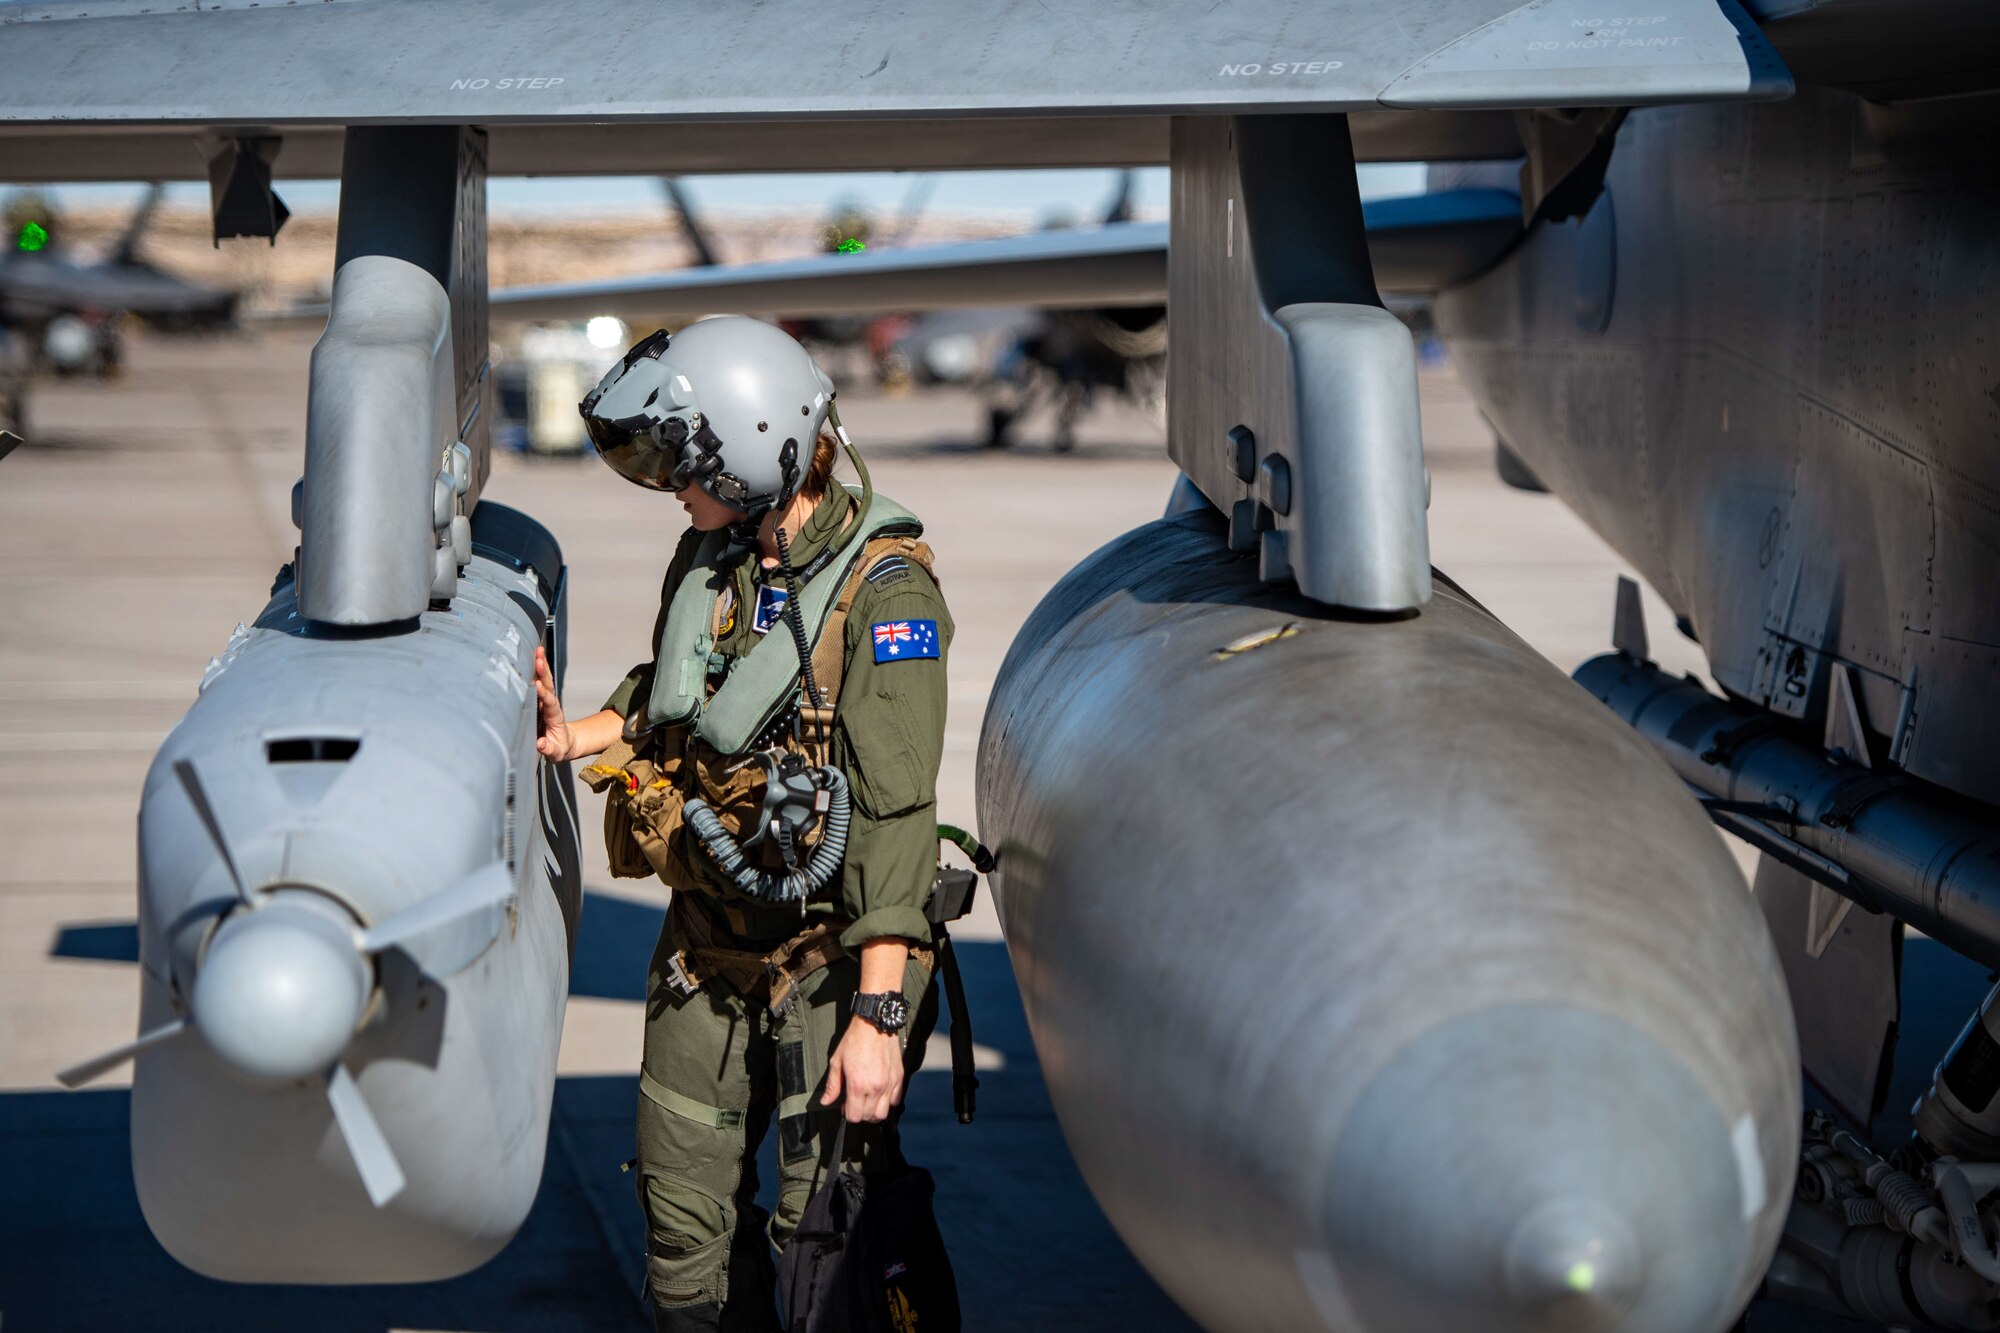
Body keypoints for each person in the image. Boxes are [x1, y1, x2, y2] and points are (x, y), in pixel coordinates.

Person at [530, 316, 953, 1333]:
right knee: (682, 1239)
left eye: (685, 462)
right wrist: (576, 730)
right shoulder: (713, 560)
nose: (673, 485)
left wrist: (878, 1021)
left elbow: (896, 815)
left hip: (827, 966)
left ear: (754, 446)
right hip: (705, 948)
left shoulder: (884, 596)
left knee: (824, 1250)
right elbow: (675, 689)